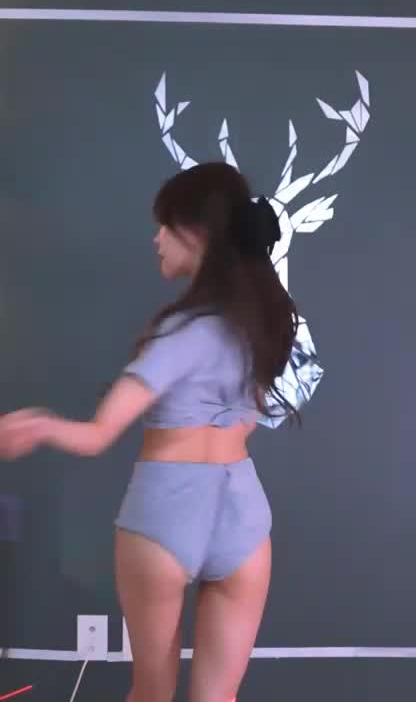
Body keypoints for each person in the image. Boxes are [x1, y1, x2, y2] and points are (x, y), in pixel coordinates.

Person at [0, 161, 299, 702]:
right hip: (243, 513)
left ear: (197, 233)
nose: (156, 238)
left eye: (165, 225)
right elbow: (245, 423)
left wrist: (37, 424)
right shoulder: (263, 326)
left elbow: (97, 436)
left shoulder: (181, 333)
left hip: (167, 509)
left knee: (151, 693)